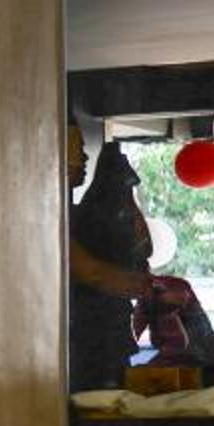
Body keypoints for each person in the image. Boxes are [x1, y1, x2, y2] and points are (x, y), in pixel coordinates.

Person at [68, 124, 152, 392]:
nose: (84, 157)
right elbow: (91, 272)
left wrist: (125, 191)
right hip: (85, 341)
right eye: (76, 148)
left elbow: (144, 247)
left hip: (106, 335)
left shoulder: (81, 213)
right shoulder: (49, 217)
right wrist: (148, 286)